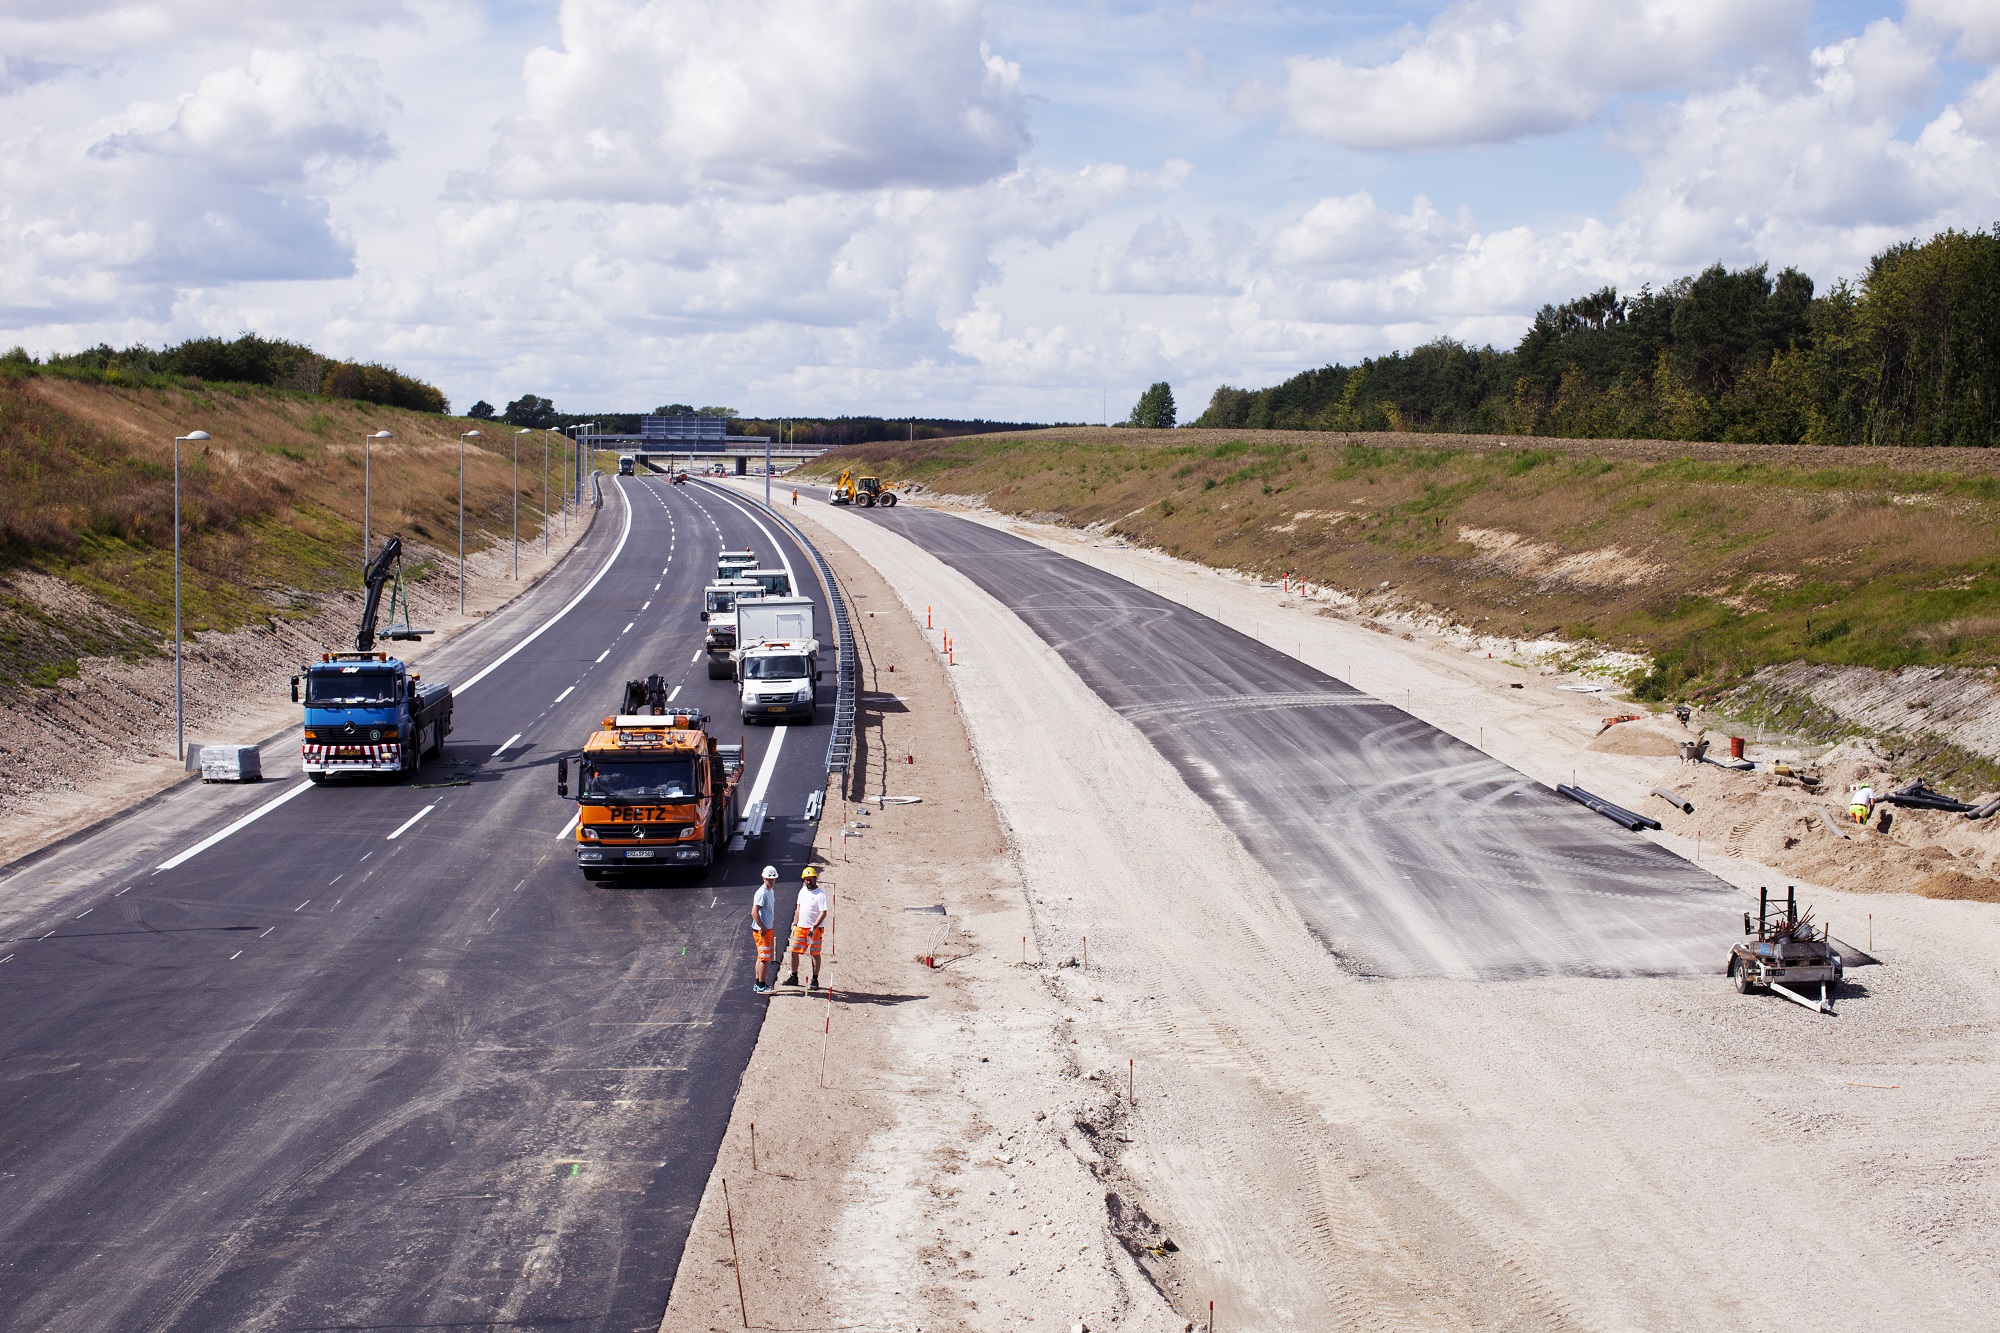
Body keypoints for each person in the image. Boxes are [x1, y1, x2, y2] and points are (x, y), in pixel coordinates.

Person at [785, 865, 830, 991]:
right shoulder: (802, 891)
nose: (808, 882)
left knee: (814, 953)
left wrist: (814, 927)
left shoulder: (821, 894)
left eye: (810, 879)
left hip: (815, 929)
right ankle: (794, 977)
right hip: (801, 927)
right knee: (794, 951)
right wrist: (795, 924)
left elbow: (823, 913)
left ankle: (815, 980)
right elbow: (798, 909)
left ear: (815, 879)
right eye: (806, 879)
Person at [750, 866, 780, 994]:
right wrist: (762, 927)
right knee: (764, 959)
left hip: (765, 929)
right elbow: (754, 912)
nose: (771, 881)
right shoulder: (762, 893)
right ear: (764, 878)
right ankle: (762, 986)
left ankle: (758, 983)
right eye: (769, 879)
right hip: (763, 931)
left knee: (760, 957)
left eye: (773, 879)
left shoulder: (770, 891)